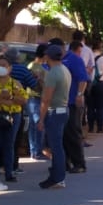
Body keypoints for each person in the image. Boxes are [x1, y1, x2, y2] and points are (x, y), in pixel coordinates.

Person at [0, 55, 25, 185]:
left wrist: (11, 97)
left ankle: (9, 172)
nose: (2, 68)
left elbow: (23, 100)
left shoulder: (16, 83)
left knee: (9, 144)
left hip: (12, 116)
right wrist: (3, 100)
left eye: (4, 65)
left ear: (10, 68)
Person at [37, 41, 72, 189]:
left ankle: (57, 177)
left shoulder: (53, 73)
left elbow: (46, 98)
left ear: (47, 56)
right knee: (57, 146)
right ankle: (57, 175)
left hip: (55, 112)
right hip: (63, 110)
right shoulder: (64, 70)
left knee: (55, 146)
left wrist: (41, 118)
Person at [61, 39, 89, 173]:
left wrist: (79, 94)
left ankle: (79, 163)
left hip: (72, 102)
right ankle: (64, 162)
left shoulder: (74, 59)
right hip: (59, 102)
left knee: (73, 132)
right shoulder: (54, 61)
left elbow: (83, 79)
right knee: (62, 134)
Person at [25, 44, 48, 160]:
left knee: (36, 126)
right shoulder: (33, 66)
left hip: (39, 98)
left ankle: (36, 150)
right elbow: (33, 84)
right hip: (34, 98)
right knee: (38, 124)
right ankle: (36, 151)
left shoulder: (41, 66)